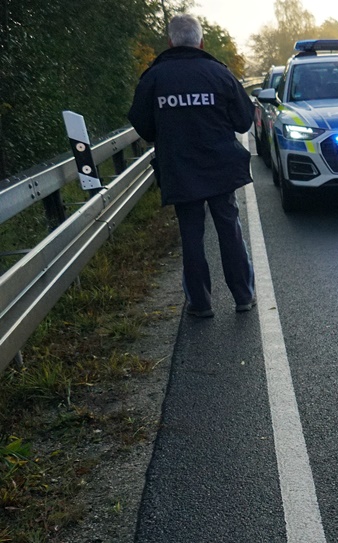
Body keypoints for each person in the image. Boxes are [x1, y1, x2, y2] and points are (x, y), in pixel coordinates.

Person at [128, 14, 256, 318]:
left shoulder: (154, 78)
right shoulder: (219, 73)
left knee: (191, 234)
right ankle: (243, 295)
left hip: (180, 169)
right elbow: (244, 120)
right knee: (229, 229)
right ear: (201, 42)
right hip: (220, 167)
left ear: (170, 42)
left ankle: (200, 303)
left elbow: (142, 126)